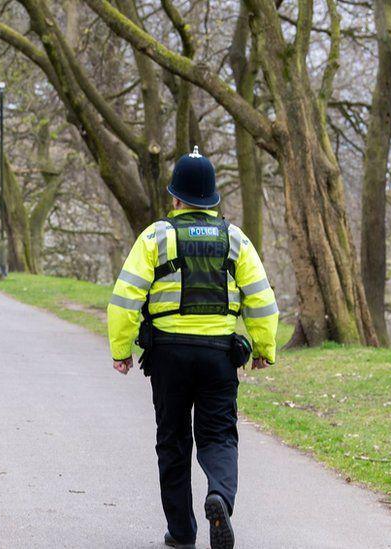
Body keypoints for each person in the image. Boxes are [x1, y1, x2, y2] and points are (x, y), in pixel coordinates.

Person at [107, 147, 278, 549]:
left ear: (176, 198)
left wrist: (121, 349)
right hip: (219, 355)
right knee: (219, 435)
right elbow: (261, 298)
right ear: (213, 199)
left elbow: (125, 297)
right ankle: (219, 493)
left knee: (173, 440)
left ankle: (182, 532)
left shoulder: (156, 236)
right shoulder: (235, 239)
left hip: (168, 356)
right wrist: (263, 347)